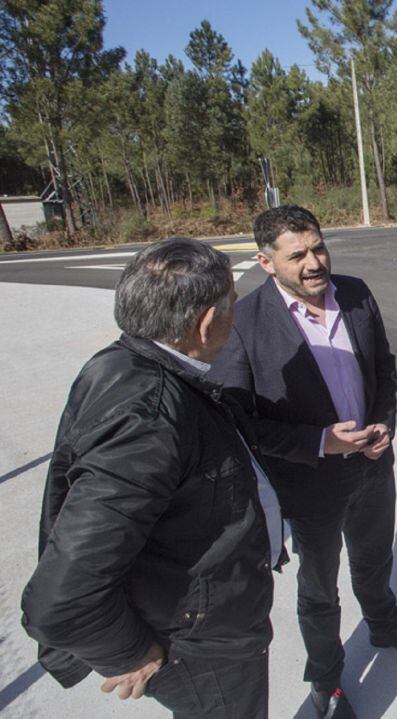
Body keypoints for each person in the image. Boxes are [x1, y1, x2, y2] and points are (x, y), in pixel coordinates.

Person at [22, 238, 282, 718]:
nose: (237, 311)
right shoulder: (151, 417)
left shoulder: (127, 365)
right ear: (207, 321)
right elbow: (59, 600)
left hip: (200, 617)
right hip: (202, 649)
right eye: (232, 301)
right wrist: (128, 651)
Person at [209, 205, 397, 719]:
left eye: (318, 248)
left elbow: (383, 367)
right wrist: (319, 442)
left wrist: (382, 422)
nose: (314, 263)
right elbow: (238, 419)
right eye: (297, 256)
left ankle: (383, 622)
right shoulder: (245, 322)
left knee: (375, 557)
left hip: (373, 464)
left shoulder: (355, 292)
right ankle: (327, 679)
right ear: (267, 263)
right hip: (309, 484)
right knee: (319, 588)